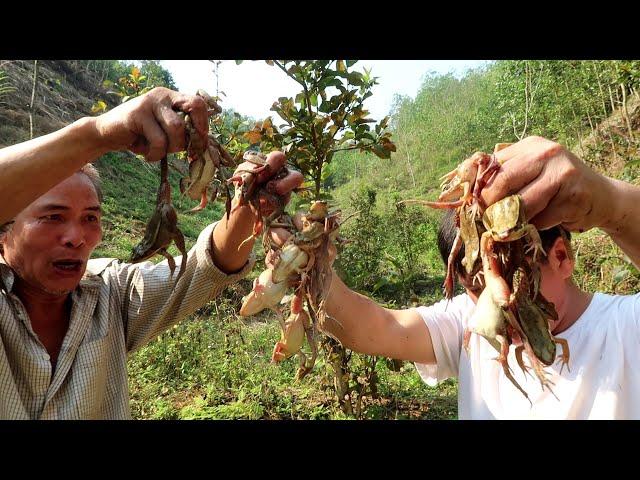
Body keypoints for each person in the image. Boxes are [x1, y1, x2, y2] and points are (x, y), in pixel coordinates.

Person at [0, 87, 302, 419]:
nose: (76, 237)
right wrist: (95, 134)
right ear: (4, 231)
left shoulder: (109, 294)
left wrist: (248, 203)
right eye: (52, 217)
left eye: (90, 218)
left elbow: (203, 270)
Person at [318, 136, 640, 419]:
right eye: (475, 285)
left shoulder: (626, 327)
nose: (495, 302)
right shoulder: (469, 324)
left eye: (517, 276)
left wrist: (611, 204)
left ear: (561, 257)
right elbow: (370, 329)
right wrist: (305, 262)